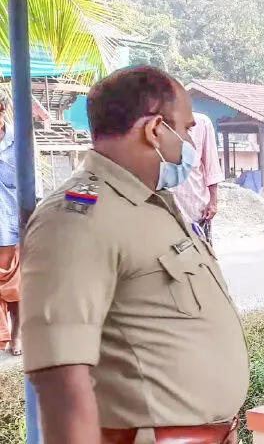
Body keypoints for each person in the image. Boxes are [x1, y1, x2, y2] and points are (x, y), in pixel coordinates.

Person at [20, 66, 249, 444]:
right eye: (187, 128)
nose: (190, 142)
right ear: (155, 130)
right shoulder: (77, 218)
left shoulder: (152, 204)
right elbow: (61, 378)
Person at [171, 111, 224, 244]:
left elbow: (211, 166)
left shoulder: (202, 122)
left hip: (195, 208)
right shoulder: (153, 121)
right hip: (166, 209)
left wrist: (213, 202)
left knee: (200, 259)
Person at [0, 98, 21, 357]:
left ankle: (16, 334)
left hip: (11, 226)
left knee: (17, 290)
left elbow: (33, 186)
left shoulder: (20, 143)